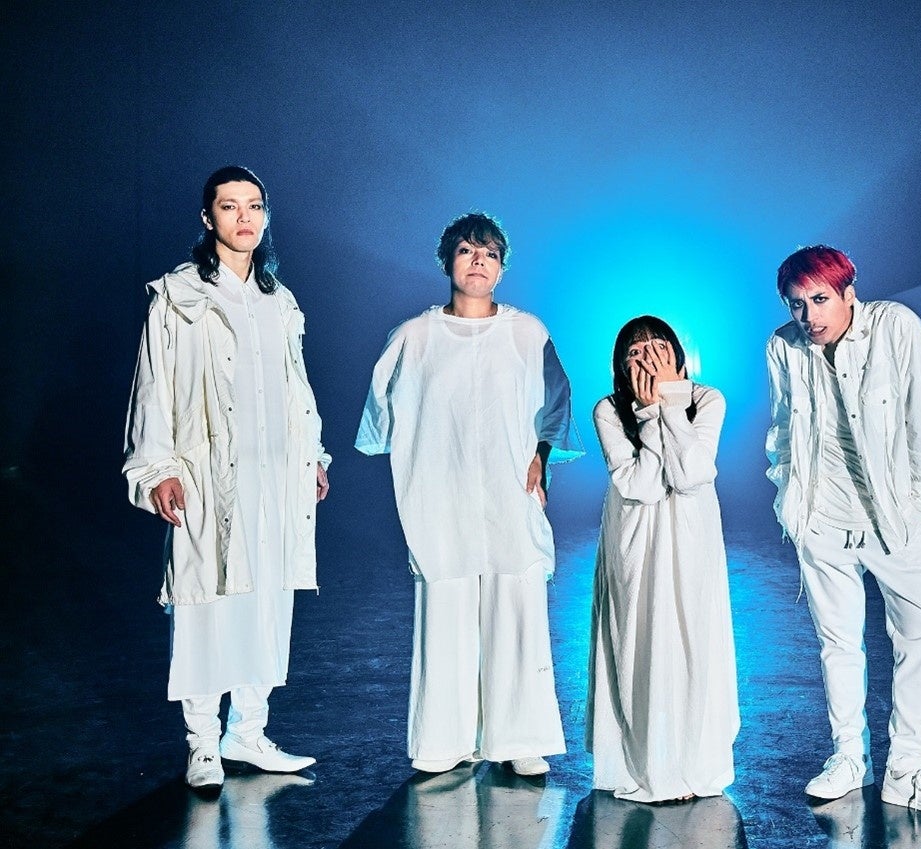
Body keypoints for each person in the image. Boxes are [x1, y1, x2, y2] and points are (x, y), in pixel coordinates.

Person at [124, 166, 329, 791]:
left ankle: (248, 732)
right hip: (208, 475)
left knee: (266, 601)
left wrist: (313, 456)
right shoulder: (179, 296)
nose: (244, 217)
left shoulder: (278, 299)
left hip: (275, 475)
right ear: (207, 217)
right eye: (229, 206)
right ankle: (202, 743)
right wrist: (158, 468)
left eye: (254, 206)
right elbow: (153, 386)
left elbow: (296, 385)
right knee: (207, 605)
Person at [356, 212, 581, 778]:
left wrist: (540, 457)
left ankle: (518, 736)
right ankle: (444, 739)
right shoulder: (415, 336)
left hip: (509, 495)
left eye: (490, 253)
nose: (478, 261)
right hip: (442, 496)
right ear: (447, 262)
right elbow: (382, 410)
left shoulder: (527, 333)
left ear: (501, 268)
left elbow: (555, 403)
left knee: (515, 608)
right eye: (466, 250)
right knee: (447, 607)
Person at [765, 245, 921, 817]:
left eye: (820, 299)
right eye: (797, 304)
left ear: (848, 292)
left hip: (895, 518)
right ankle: (848, 758)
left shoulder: (895, 326)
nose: (809, 316)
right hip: (822, 518)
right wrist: (790, 503)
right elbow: (782, 430)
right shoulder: (783, 346)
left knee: (920, 639)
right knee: (837, 644)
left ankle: (907, 772)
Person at [588, 316, 740, 803]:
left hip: (691, 531)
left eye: (657, 347)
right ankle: (642, 762)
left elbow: (692, 474)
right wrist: (649, 415)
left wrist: (670, 405)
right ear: (620, 366)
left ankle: (693, 762)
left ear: (676, 354)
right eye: (635, 353)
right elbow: (642, 484)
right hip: (635, 534)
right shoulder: (609, 409)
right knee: (638, 636)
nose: (648, 359)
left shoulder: (707, 399)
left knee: (693, 635)